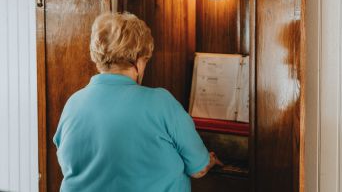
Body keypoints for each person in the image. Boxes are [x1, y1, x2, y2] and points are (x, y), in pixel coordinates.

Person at [53, 12, 222, 191]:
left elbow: (68, 162)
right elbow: (199, 169)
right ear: (138, 60)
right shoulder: (161, 102)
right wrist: (209, 161)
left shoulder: (73, 103)